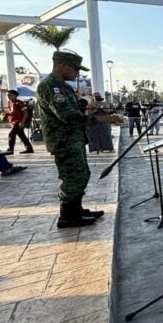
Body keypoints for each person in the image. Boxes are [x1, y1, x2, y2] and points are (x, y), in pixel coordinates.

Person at [37, 50, 121, 228]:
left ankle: (76, 210)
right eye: (75, 69)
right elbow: (68, 116)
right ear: (62, 65)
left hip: (73, 139)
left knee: (81, 174)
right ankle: (67, 216)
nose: (77, 73)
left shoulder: (62, 86)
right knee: (71, 177)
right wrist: (105, 119)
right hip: (63, 141)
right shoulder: (50, 86)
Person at [5, 89, 34, 154]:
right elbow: (11, 112)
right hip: (13, 121)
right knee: (22, 135)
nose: (8, 96)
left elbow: (25, 112)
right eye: (7, 95)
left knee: (11, 134)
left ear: (15, 96)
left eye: (10, 95)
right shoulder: (9, 102)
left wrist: (23, 122)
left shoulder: (19, 103)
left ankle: (10, 149)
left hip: (18, 122)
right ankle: (29, 149)